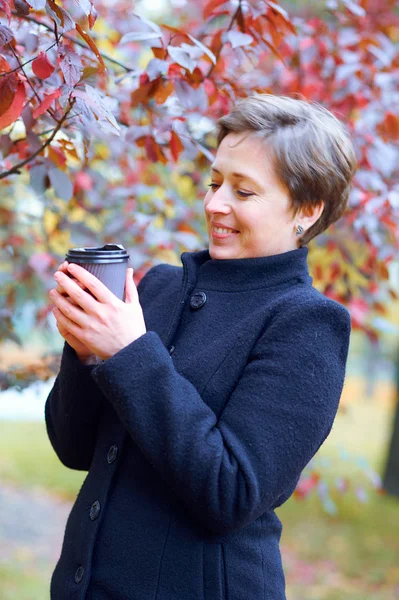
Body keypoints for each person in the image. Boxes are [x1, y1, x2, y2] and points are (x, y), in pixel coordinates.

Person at [45, 94, 357, 600]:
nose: (214, 204)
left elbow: (230, 491)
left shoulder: (308, 324)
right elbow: (74, 449)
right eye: (214, 182)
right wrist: (86, 350)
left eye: (244, 191)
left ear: (306, 209)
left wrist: (127, 353)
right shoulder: (158, 289)